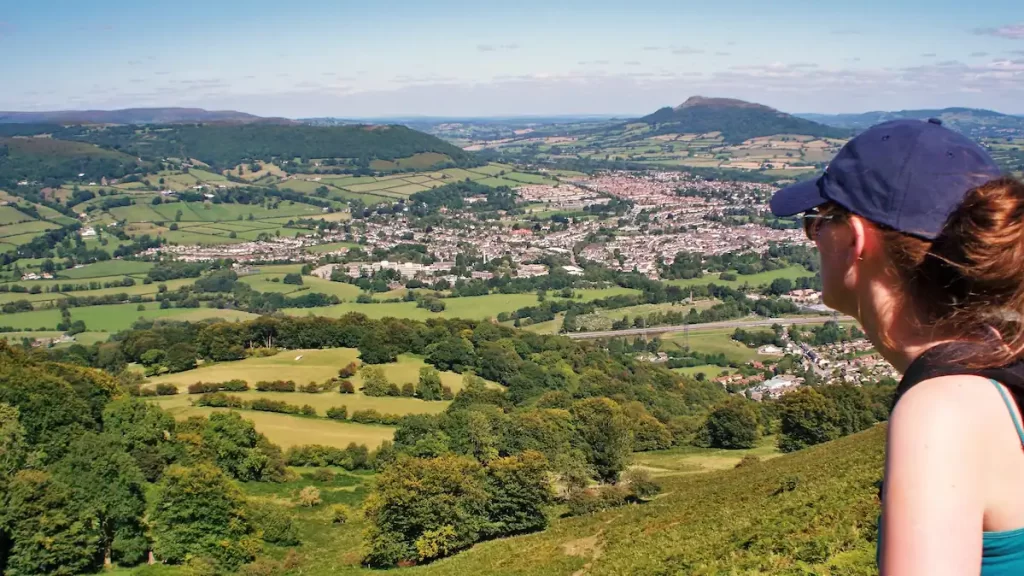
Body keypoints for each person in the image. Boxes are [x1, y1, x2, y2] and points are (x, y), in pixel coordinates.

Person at [770, 118, 1024, 575]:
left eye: (818, 222)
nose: (814, 238)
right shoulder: (1003, 359)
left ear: (855, 238)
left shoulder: (944, 411)